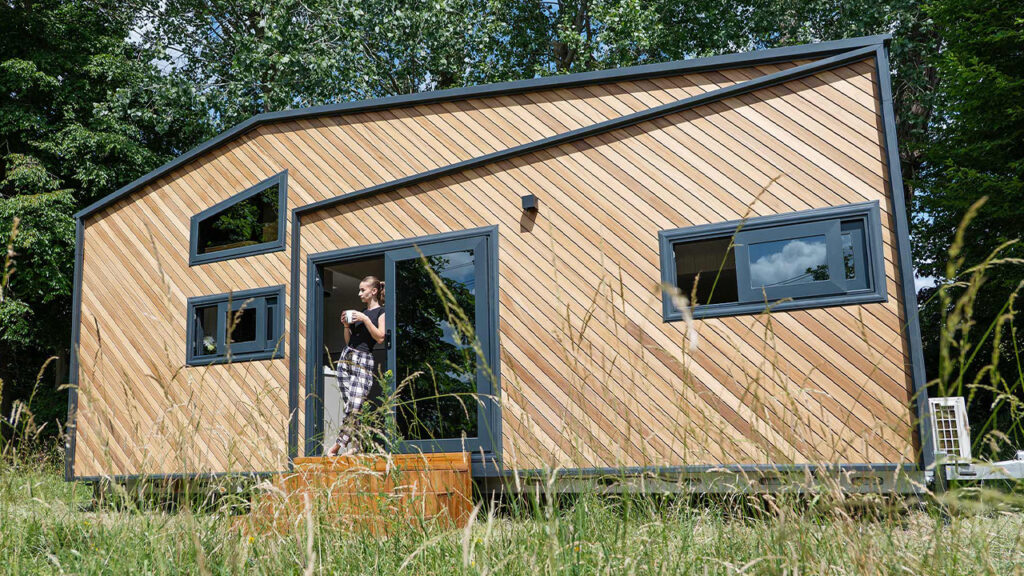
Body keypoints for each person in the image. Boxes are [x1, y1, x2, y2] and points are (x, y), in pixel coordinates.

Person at [327, 275, 386, 457]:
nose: (359, 293)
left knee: (355, 405)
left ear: (373, 291)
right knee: (351, 406)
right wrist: (346, 326)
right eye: (359, 290)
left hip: (363, 359)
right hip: (346, 357)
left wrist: (365, 319)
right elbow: (349, 341)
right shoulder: (360, 313)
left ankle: (337, 446)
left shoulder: (380, 312)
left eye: (363, 290)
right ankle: (356, 445)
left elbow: (380, 337)